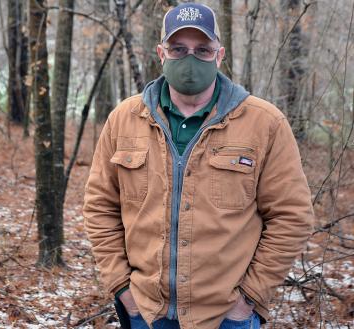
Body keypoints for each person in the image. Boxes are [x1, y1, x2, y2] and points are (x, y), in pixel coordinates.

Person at [83, 3, 314, 329]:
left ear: (219, 56)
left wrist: (248, 298)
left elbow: (293, 216)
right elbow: (100, 206)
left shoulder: (265, 124)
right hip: (146, 312)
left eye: (202, 50)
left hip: (226, 316)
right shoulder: (124, 120)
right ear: (161, 53)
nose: (190, 59)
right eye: (178, 48)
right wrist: (122, 287)